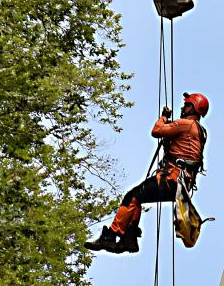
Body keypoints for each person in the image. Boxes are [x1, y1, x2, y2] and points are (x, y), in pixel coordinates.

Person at [85, 93, 208, 254]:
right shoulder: (199, 131)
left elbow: (157, 131)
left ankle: (111, 235)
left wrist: (163, 118)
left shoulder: (186, 124)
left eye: (186, 105)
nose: (182, 108)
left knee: (131, 197)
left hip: (171, 179)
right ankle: (128, 239)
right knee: (137, 199)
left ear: (193, 107)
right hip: (180, 184)